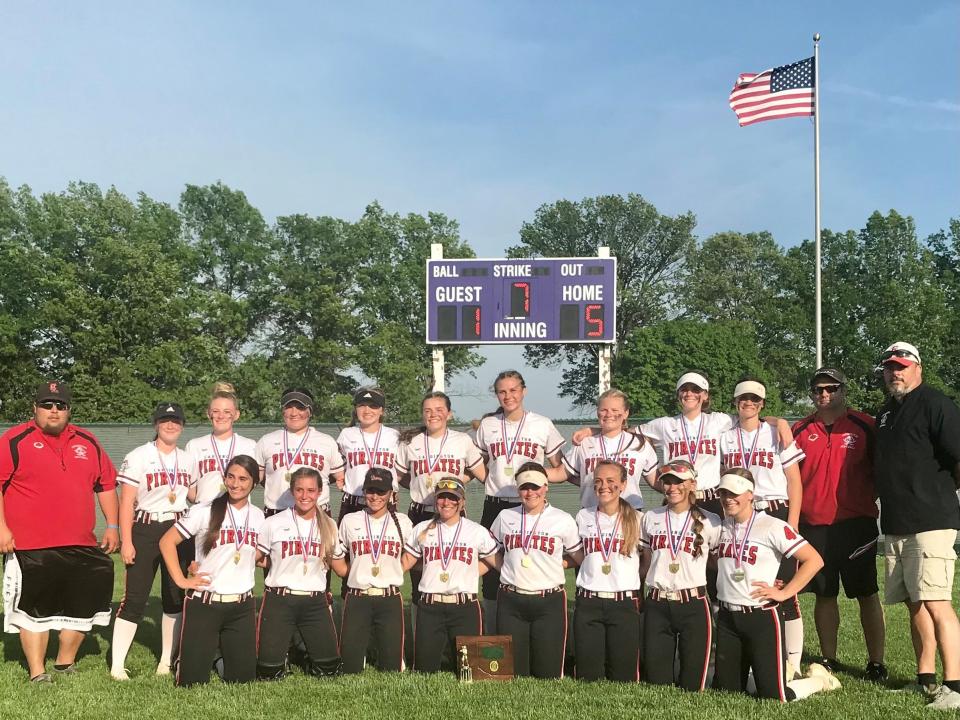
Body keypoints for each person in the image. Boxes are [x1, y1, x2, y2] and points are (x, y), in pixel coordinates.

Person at [0, 381, 119, 683]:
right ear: (35, 408)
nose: (53, 410)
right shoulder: (14, 439)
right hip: (30, 544)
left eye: (60, 405)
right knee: (34, 611)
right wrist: (1, 529)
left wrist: (114, 526)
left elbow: (105, 485)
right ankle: (37, 672)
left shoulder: (88, 442)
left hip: (81, 542)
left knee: (84, 606)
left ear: (68, 410)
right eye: (47, 404)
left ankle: (65, 663)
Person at [874, 341, 960, 710]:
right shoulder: (885, 412)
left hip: (931, 521)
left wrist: (942, 497)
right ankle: (924, 679)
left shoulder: (937, 404)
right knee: (914, 602)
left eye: (902, 366)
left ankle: (955, 685)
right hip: (896, 523)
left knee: (937, 602)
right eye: (890, 367)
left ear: (917, 367)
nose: (895, 373)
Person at [791, 366, 887, 681]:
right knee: (824, 593)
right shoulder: (800, 430)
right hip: (814, 526)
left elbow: (883, 469)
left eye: (831, 388)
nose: (824, 394)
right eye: (818, 389)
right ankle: (829, 659)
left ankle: (876, 662)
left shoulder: (866, 425)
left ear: (843, 390)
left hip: (856, 524)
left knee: (866, 592)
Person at [713, 468, 840, 702]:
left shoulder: (772, 525)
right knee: (726, 693)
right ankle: (776, 672)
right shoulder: (720, 526)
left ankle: (819, 680)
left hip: (761, 617)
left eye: (734, 493)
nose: (728, 499)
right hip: (728, 619)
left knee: (775, 696)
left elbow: (814, 560)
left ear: (750, 494)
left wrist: (785, 592)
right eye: (723, 493)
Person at [718, 379, 806, 675]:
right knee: (745, 586)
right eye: (743, 398)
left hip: (774, 511)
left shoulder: (775, 432)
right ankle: (749, 655)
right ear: (735, 401)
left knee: (783, 590)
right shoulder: (725, 436)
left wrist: (792, 524)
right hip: (739, 514)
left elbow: (794, 481)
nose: (749, 403)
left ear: (763, 404)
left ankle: (791, 662)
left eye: (755, 399)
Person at [159, 454, 265, 687]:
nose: (235, 484)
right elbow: (166, 542)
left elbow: (257, 554)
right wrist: (181, 580)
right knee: (192, 683)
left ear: (254, 483)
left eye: (243, 479)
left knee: (243, 681)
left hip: (241, 606)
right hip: (205, 602)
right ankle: (185, 659)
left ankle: (216, 657)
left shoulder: (259, 517)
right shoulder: (204, 510)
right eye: (231, 477)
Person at [473, 370, 565, 628]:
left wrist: (538, 481)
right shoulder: (488, 425)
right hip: (495, 504)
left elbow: (559, 468)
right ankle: (494, 633)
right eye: (502, 391)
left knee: (527, 565)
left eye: (513, 390)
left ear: (523, 391)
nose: (508, 395)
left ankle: (531, 626)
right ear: (496, 394)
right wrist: (490, 481)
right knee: (491, 570)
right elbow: (478, 464)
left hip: (528, 503)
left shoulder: (542, 424)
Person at [110, 402, 195, 680]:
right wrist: (127, 540)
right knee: (135, 598)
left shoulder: (188, 458)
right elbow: (126, 502)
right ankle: (117, 665)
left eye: (176, 421)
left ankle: (165, 661)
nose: (170, 425)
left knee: (174, 597)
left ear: (182, 425)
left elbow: (194, 495)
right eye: (164, 420)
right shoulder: (139, 455)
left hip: (178, 529)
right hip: (146, 527)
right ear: (156, 424)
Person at [489, 462, 580, 678]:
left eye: (535, 487)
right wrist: (507, 568)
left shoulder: (562, 519)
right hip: (512, 598)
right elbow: (492, 551)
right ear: (517, 489)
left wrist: (556, 564)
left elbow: (578, 556)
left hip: (549, 600)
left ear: (546, 487)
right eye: (524, 487)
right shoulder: (505, 516)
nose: (530, 492)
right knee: (513, 672)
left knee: (547, 673)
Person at [396, 391, 486, 605]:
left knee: (454, 566)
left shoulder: (462, 440)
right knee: (419, 574)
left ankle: (458, 612)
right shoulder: (410, 442)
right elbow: (398, 478)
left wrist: (459, 481)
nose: (433, 415)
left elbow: (482, 474)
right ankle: (421, 626)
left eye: (439, 410)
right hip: (420, 512)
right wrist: (420, 488)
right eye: (427, 411)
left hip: (451, 510)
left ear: (449, 414)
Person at [402, 477, 498, 673]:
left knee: (468, 671)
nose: (446, 503)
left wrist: (471, 573)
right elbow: (405, 563)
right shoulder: (422, 529)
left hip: (464, 607)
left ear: (462, 501)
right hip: (430, 606)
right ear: (435, 500)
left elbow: (496, 562)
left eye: (452, 498)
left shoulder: (476, 531)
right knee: (423, 672)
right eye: (441, 497)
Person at [639, 460, 721, 691]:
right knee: (657, 683)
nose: (672, 487)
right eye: (667, 482)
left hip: (692, 603)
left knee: (693, 685)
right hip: (658, 602)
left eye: (678, 481)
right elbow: (646, 563)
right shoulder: (650, 517)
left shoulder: (711, 521)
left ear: (693, 484)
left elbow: (718, 561)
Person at [256, 467, 341, 679]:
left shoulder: (329, 524)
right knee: (268, 672)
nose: (305, 496)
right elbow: (257, 557)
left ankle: (302, 653)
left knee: (329, 670)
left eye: (311, 490)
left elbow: (337, 564)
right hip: (280, 599)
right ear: (292, 491)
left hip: (314, 602)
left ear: (319, 492)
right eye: (300, 490)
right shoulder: (274, 522)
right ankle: (284, 654)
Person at [331, 467, 413, 674]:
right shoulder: (350, 520)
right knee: (349, 668)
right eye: (370, 490)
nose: (375, 496)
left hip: (389, 597)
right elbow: (340, 558)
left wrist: (394, 571)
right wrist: (354, 573)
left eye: (381, 491)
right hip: (358, 596)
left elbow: (410, 555)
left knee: (391, 668)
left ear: (390, 494)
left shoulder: (402, 522)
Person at [568, 460, 642, 682]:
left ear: (623, 484)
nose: (604, 486)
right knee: (588, 676)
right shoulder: (583, 517)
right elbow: (578, 556)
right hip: (589, 601)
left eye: (611, 481)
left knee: (623, 676)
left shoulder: (638, 519)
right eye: (598, 481)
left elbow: (647, 561)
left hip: (624, 602)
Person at [548, 388, 657, 511]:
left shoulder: (640, 443)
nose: (609, 414)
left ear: (626, 413)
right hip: (591, 513)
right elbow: (560, 473)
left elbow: (655, 481)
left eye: (615, 410)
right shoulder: (584, 443)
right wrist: (528, 470)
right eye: (603, 410)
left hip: (629, 513)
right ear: (597, 413)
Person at [255, 388, 344, 517]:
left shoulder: (326, 441)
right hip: (277, 512)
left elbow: (340, 477)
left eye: (300, 407)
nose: (294, 412)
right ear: (282, 411)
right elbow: (258, 478)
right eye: (289, 407)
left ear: (310, 412)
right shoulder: (266, 441)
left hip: (317, 513)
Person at [185, 382, 257, 505]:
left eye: (227, 411)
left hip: (237, 511)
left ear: (236, 415)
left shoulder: (249, 446)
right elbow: (188, 487)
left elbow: (253, 482)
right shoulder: (194, 445)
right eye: (216, 411)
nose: (221, 416)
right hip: (205, 511)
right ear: (209, 414)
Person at [336, 387, 401, 521]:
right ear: (356, 409)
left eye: (373, 406)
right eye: (362, 405)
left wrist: (393, 486)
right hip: (354, 501)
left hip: (384, 501)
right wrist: (340, 478)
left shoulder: (394, 435)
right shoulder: (346, 434)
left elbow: (401, 469)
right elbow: (338, 465)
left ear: (382, 410)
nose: (367, 410)